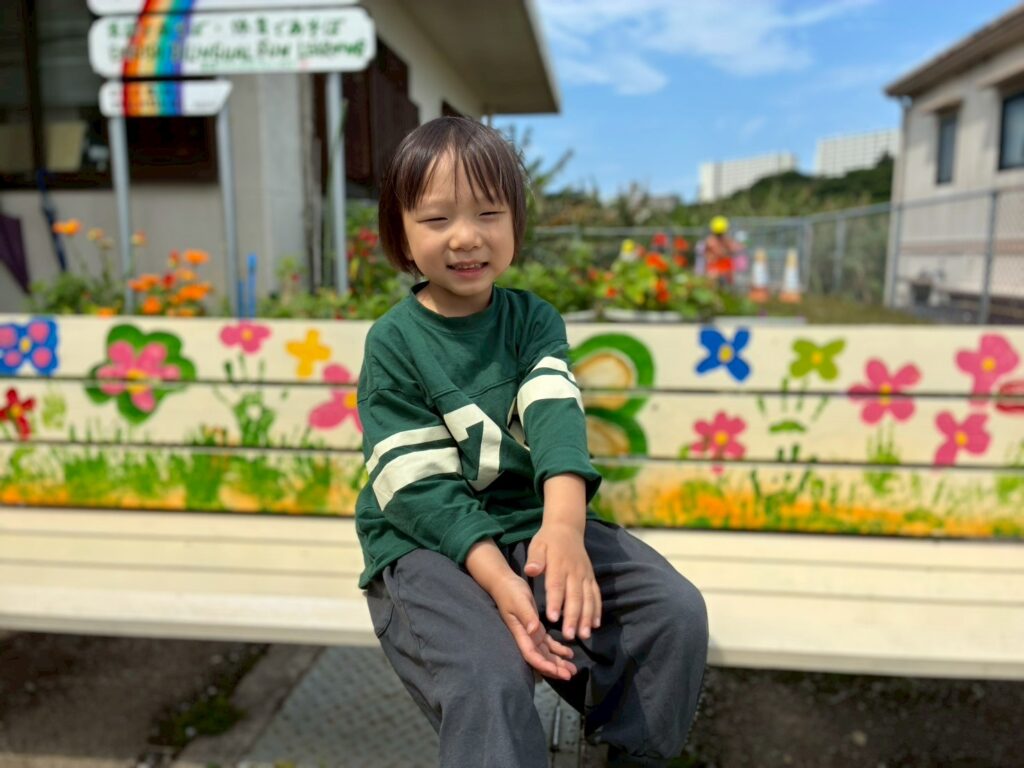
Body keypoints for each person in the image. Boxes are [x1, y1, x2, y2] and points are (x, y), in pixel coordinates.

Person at [355, 116, 708, 768]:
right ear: (400, 234)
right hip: (426, 545)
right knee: (487, 676)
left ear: (516, 222)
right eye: (437, 219)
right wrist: (499, 582)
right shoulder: (394, 342)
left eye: (488, 213)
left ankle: (625, 751)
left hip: (530, 523)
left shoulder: (533, 321)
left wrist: (565, 529)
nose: (466, 236)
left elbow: (555, 421)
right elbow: (420, 491)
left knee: (673, 614)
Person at [697, 215, 745, 287]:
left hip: (724, 266)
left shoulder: (725, 240)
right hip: (715, 267)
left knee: (727, 283)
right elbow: (707, 254)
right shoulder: (711, 241)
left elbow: (735, 248)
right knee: (713, 281)